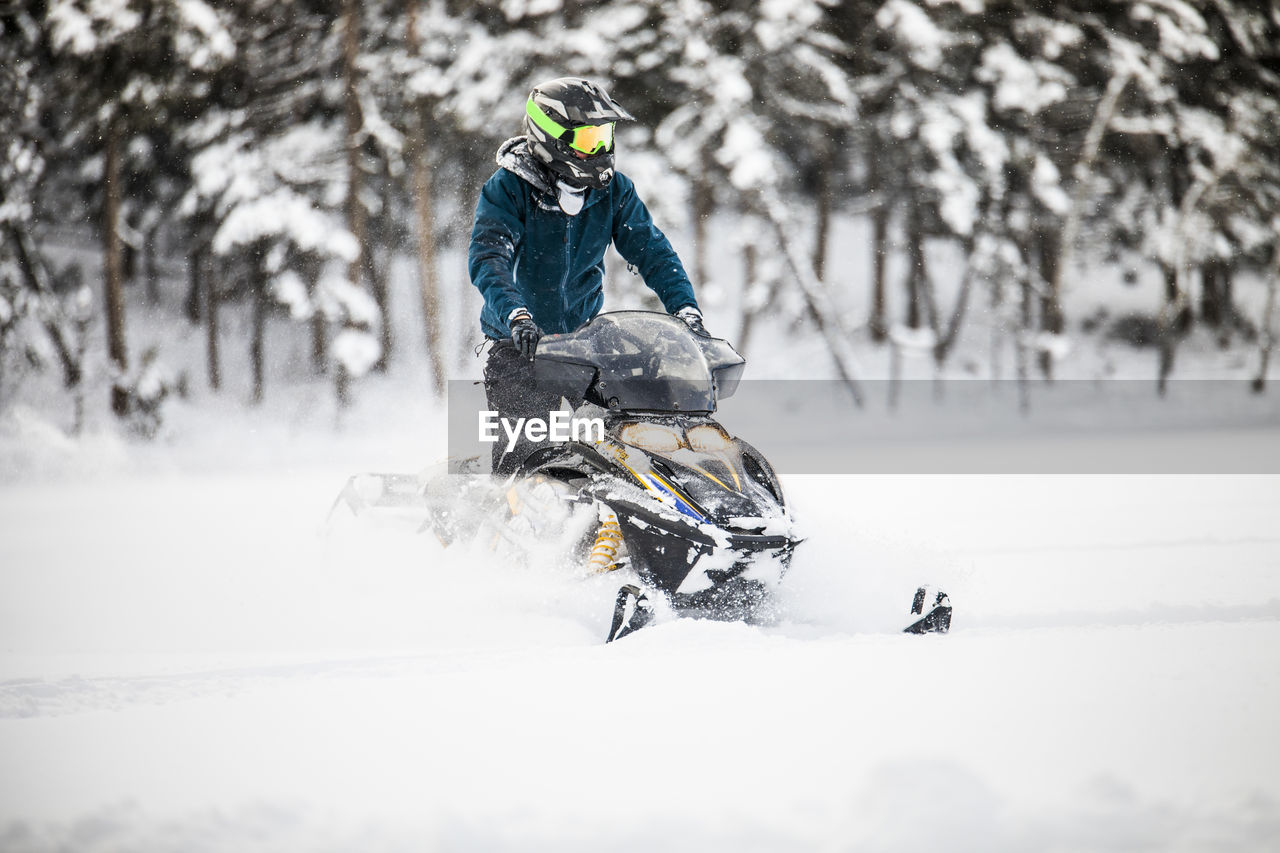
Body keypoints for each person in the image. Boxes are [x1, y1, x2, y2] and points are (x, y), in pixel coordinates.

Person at [469, 77, 708, 476]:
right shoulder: (507, 189)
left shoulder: (612, 191)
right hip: (522, 347)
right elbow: (488, 257)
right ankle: (507, 525)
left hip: (584, 346)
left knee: (629, 440)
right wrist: (516, 315)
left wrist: (686, 308)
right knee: (527, 460)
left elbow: (653, 252)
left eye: (604, 137)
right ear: (551, 138)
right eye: (587, 140)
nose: (600, 150)